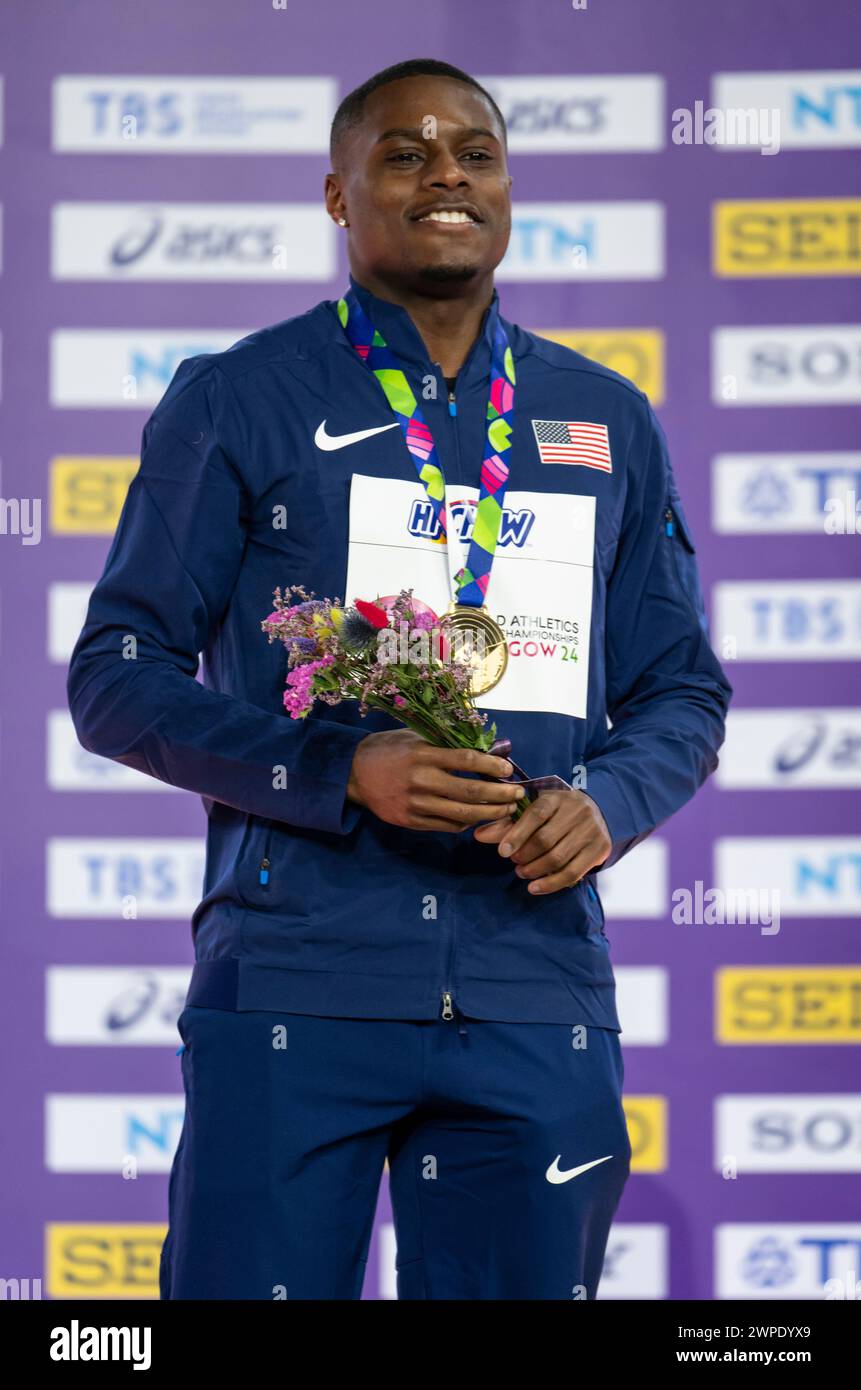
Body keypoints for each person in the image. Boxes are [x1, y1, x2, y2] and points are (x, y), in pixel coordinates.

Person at [67, 58, 732, 1301]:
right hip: (298, 977)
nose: (446, 177)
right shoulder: (239, 398)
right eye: (406, 154)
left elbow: (683, 689)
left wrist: (608, 802)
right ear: (338, 193)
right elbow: (114, 673)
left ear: (509, 189)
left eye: (475, 154)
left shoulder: (604, 417)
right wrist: (338, 766)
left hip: (532, 982)